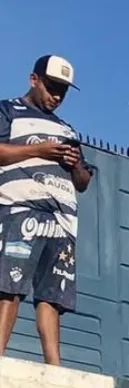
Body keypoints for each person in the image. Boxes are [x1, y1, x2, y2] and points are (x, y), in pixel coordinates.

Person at [0, 56, 92, 366]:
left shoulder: (67, 128)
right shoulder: (9, 110)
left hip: (62, 220)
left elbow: (83, 182)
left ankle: (55, 370)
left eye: (63, 91)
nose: (57, 96)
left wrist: (75, 163)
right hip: (20, 210)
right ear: (33, 79)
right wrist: (38, 150)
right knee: (8, 288)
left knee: (53, 297)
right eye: (52, 87)